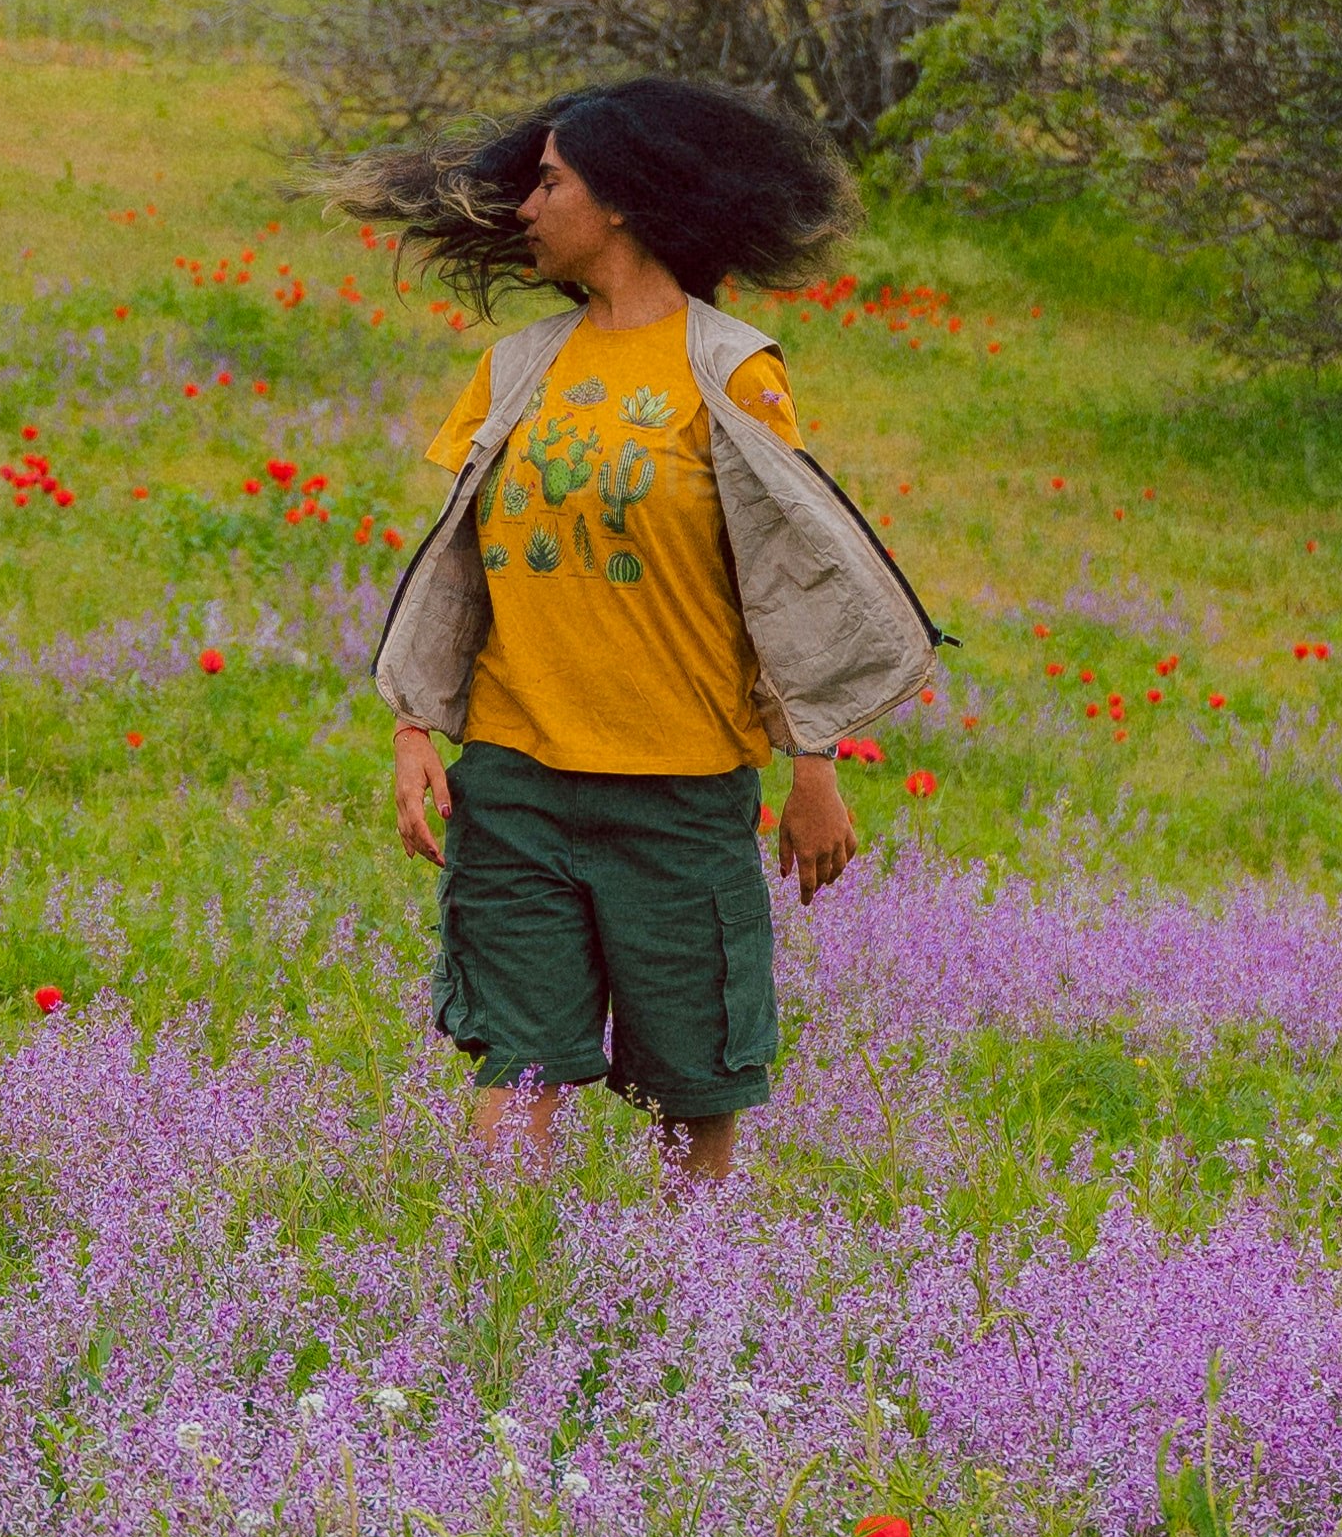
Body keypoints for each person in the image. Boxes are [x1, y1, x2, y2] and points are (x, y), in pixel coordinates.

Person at [345, 75, 945, 1184]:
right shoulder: (517, 369)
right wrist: (414, 727)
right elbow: (457, 568)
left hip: (678, 796)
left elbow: (785, 581)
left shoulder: (731, 372)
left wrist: (813, 769)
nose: (525, 207)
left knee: (694, 1088)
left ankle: (683, 1312)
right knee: (517, 1065)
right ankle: (504, 1303)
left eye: (552, 182)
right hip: (517, 782)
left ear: (618, 202)